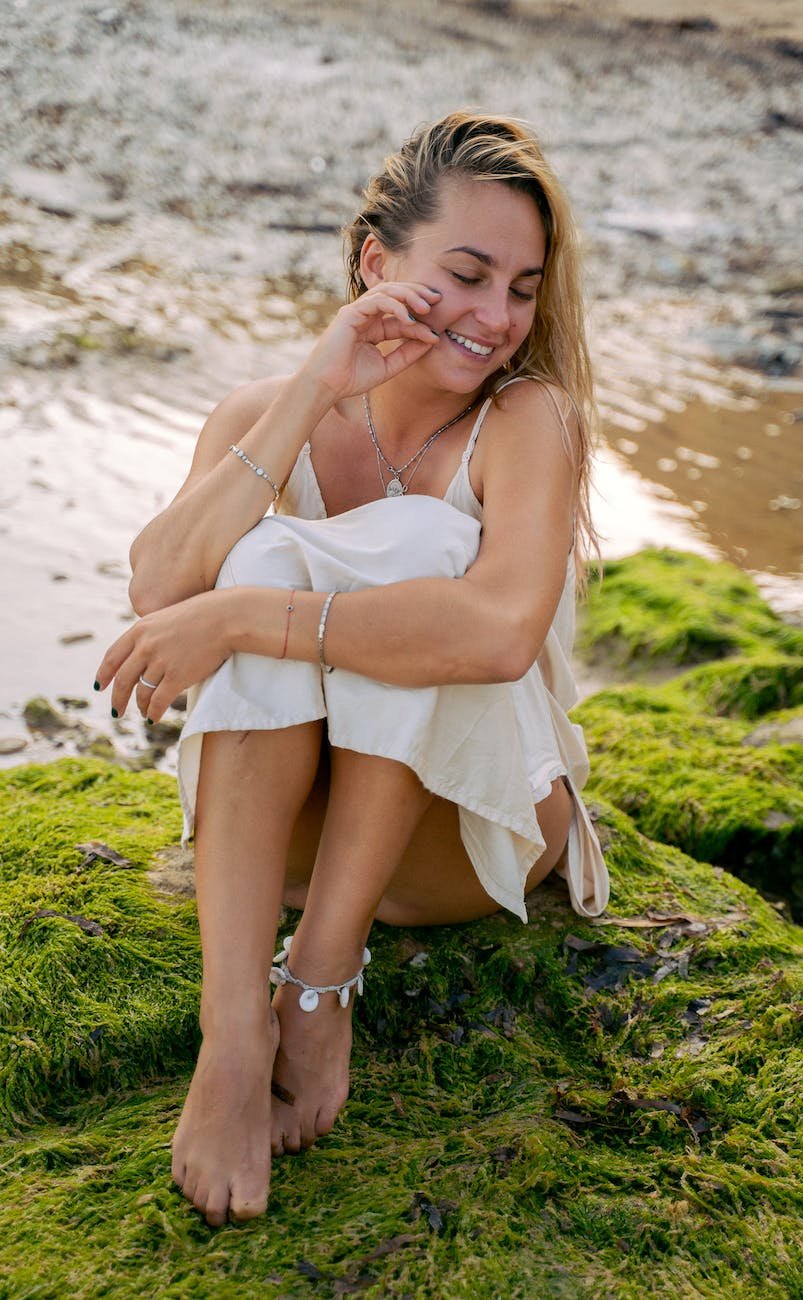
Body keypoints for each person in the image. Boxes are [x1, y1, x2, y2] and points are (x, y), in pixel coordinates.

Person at [94, 110, 609, 1228]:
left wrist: (245, 614)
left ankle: (318, 988)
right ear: (378, 262)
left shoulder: (528, 422)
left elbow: (494, 637)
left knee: (417, 555)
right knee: (273, 540)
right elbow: (156, 591)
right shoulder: (264, 413)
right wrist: (308, 393)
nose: (496, 319)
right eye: (466, 275)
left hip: (470, 837)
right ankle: (233, 1038)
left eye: (522, 288)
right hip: (279, 837)